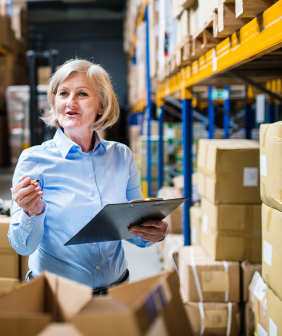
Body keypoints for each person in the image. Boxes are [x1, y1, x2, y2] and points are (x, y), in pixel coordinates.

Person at [9, 59, 168, 294]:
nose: (70, 102)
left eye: (82, 94)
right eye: (63, 93)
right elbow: (22, 246)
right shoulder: (34, 160)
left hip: (116, 291)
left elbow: (135, 231)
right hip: (56, 295)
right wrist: (31, 213)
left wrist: (152, 232)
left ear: (101, 105)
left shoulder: (121, 156)